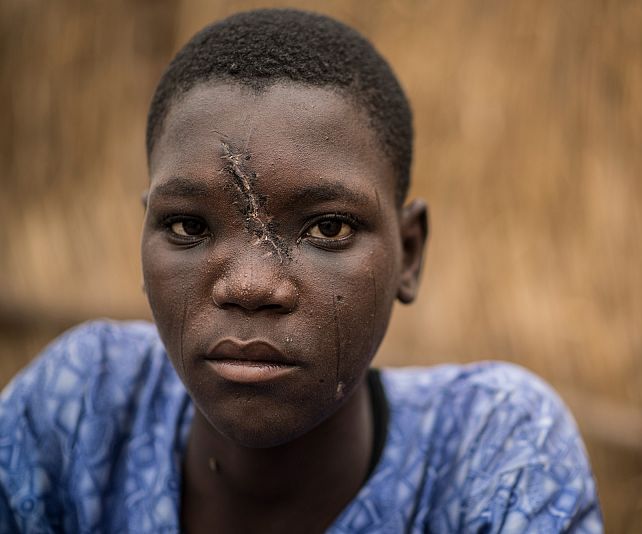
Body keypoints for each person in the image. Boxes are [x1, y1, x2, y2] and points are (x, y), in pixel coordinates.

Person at [0, 9, 602, 533]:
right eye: (188, 226)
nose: (250, 285)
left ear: (410, 254)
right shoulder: (80, 409)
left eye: (328, 228)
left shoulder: (495, 454)